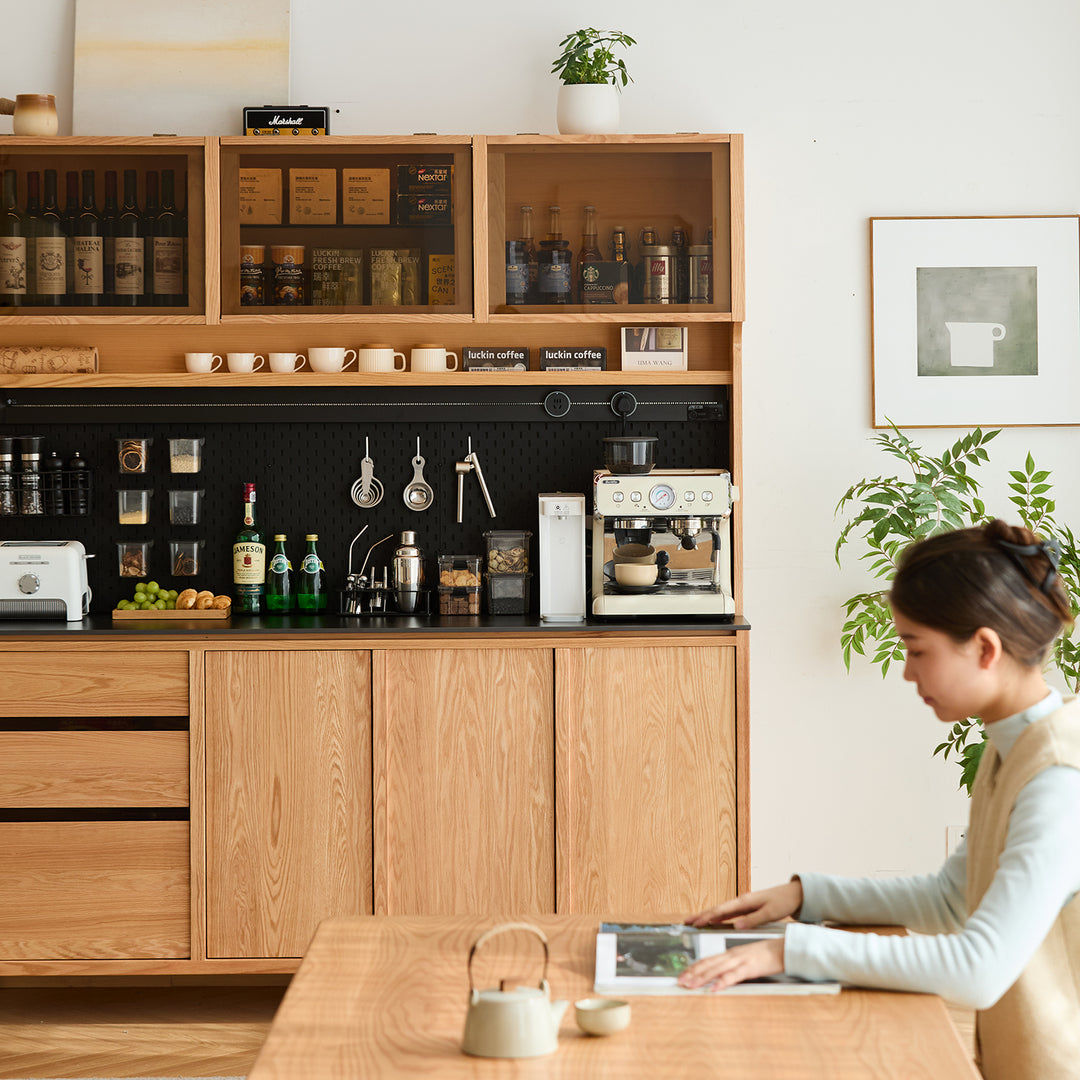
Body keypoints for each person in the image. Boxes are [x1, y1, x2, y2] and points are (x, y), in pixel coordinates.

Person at [677, 519, 1080, 1080]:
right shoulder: (1016, 746)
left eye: (917, 650)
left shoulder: (1058, 777)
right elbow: (951, 900)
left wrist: (790, 952)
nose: (909, 673)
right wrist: (802, 896)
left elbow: (979, 968)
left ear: (985, 648)